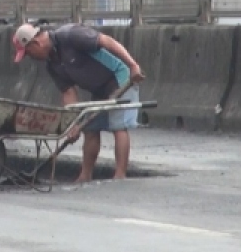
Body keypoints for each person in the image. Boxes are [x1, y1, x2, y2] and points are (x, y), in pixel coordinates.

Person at [12, 22, 146, 182]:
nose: (31, 57)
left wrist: (133, 65)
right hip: (99, 88)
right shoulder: (52, 64)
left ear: (36, 43)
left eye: (29, 53)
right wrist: (74, 123)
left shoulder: (71, 35)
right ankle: (85, 175)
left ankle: (120, 175)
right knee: (89, 128)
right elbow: (68, 92)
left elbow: (107, 41)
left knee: (118, 126)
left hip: (120, 76)